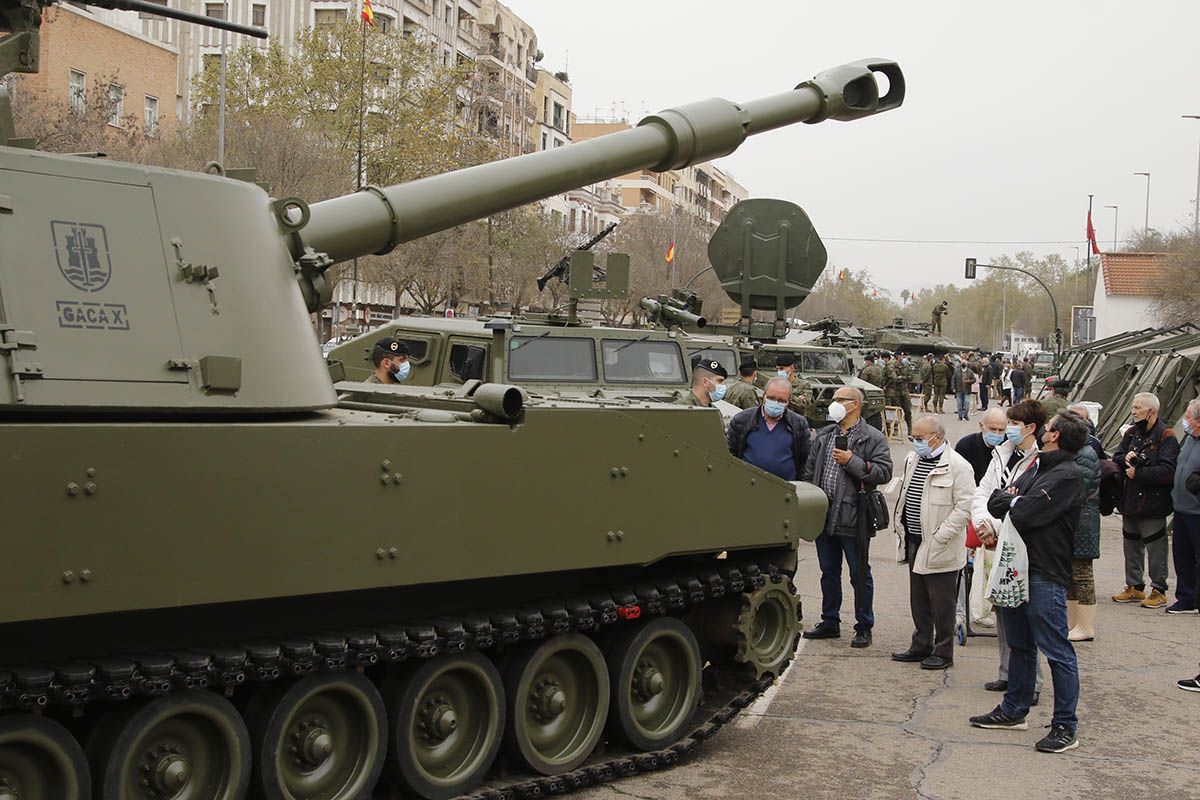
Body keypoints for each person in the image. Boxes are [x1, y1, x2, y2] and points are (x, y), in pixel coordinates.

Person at [970, 411, 1088, 754]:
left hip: (1044, 572)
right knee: (1020, 644)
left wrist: (1014, 500)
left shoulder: (1068, 475)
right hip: (1016, 569)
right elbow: (997, 499)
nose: (1042, 430)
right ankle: (1013, 709)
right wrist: (1014, 499)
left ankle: (1066, 725)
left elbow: (1023, 511)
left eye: (1048, 428)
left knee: (1057, 650)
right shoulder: (1035, 467)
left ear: (1054, 437)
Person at [802, 387, 894, 648]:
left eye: (840, 400)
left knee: (859, 573)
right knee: (828, 571)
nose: (834, 404)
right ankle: (829, 621)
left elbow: (884, 472)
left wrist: (852, 460)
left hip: (854, 516)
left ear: (855, 405)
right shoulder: (824, 435)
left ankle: (864, 626)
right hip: (824, 514)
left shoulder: (872, 437)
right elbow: (810, 472)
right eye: (834, 400)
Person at [972, 400, 1045, 698]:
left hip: (1022, 547)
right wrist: (983, 524)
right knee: (1003, 611)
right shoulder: (1001, 454)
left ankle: (1032, 682)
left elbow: (1023, 508)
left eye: (1013, 424)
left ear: (1030, 428)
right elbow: (984, 493)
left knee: (1024, 619)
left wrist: (997, 524)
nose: (1008, 430)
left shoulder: (1041, 460)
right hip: (995, 542)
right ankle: (1007, 672)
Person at [890, 416, 975, 670]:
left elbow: (964, 507)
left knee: (942, 602)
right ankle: (921, 644)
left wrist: (941, 536)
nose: (915, 442)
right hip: (915, 540)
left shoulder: (958, 466)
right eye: (913, 437)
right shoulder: (912, 459)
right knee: (919, 598)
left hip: (941, 545)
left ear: (936, 437)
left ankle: (943, 651)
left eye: (919, 438)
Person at [1111, 392, 1180, 608]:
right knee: (1131, 544)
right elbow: (1117, 456)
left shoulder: (1166, 436)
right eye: (1133, 407)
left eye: (1138, 408)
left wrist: (1139, 473)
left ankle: (1159, 589)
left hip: (1153, 502)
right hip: (1130, 499)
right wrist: (1127, 459)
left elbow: (1168, 471)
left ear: (1150, 411)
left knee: (1155, 546)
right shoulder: (1131, 433)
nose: (1133, 412)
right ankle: (1134, 587)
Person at [727, 377, 812, 481]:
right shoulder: (742, 420)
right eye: (771, 398)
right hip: (748, 486)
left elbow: (806, 460)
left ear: (788, 401)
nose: (775, 403)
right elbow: (730, 455)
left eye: (781, 400)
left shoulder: (798, 424)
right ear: (764, 396)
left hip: (786, 490)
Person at [1068, 414, 1102, 642]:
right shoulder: (1079, 454)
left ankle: (1085, 625)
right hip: (1078, 520)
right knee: (1071, 573)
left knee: (1082, 574)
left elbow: (1078, 488)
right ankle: (1073, 622)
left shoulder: (1086, 456)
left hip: (1083, 521)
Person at [1168, 398, 1200, 615]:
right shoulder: (1189, 439)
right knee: (1182, 556)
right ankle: (1186, 598)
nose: (1185, 421)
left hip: (1197, 510)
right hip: (1181, 508)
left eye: (1188, 417)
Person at [955, 408, 1009, 484]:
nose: (997, 433)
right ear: (981, 426)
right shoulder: (966, 446)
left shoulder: (1009, 445)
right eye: (993, 429)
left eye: (1001, 430)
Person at [883, 353, 912, 435]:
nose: (901, 357)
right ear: (896, 357)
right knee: (895, 411)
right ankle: (894, 429)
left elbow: (910, 377)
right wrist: (903, 378)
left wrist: (902, 377)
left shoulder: (906, 366)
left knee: (908, 410)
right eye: (900, 356)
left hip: (904, 391)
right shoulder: (891, 366)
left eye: (902, 356)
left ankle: (910, 429)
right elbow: (894, 379)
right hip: (895, 392)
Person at [952, 357, 976, 422]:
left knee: (967, 403)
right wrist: (953, 387)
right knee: (959, 404)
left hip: (967, 390)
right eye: (962, 363)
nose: (963, 364)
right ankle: (960, 416)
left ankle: (965, 415)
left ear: (967, 364)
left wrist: (969, 381)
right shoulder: (957, 371)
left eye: (965, 363)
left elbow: (974, 380)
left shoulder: (970, 372)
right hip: (959, 390)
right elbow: (953, 379)